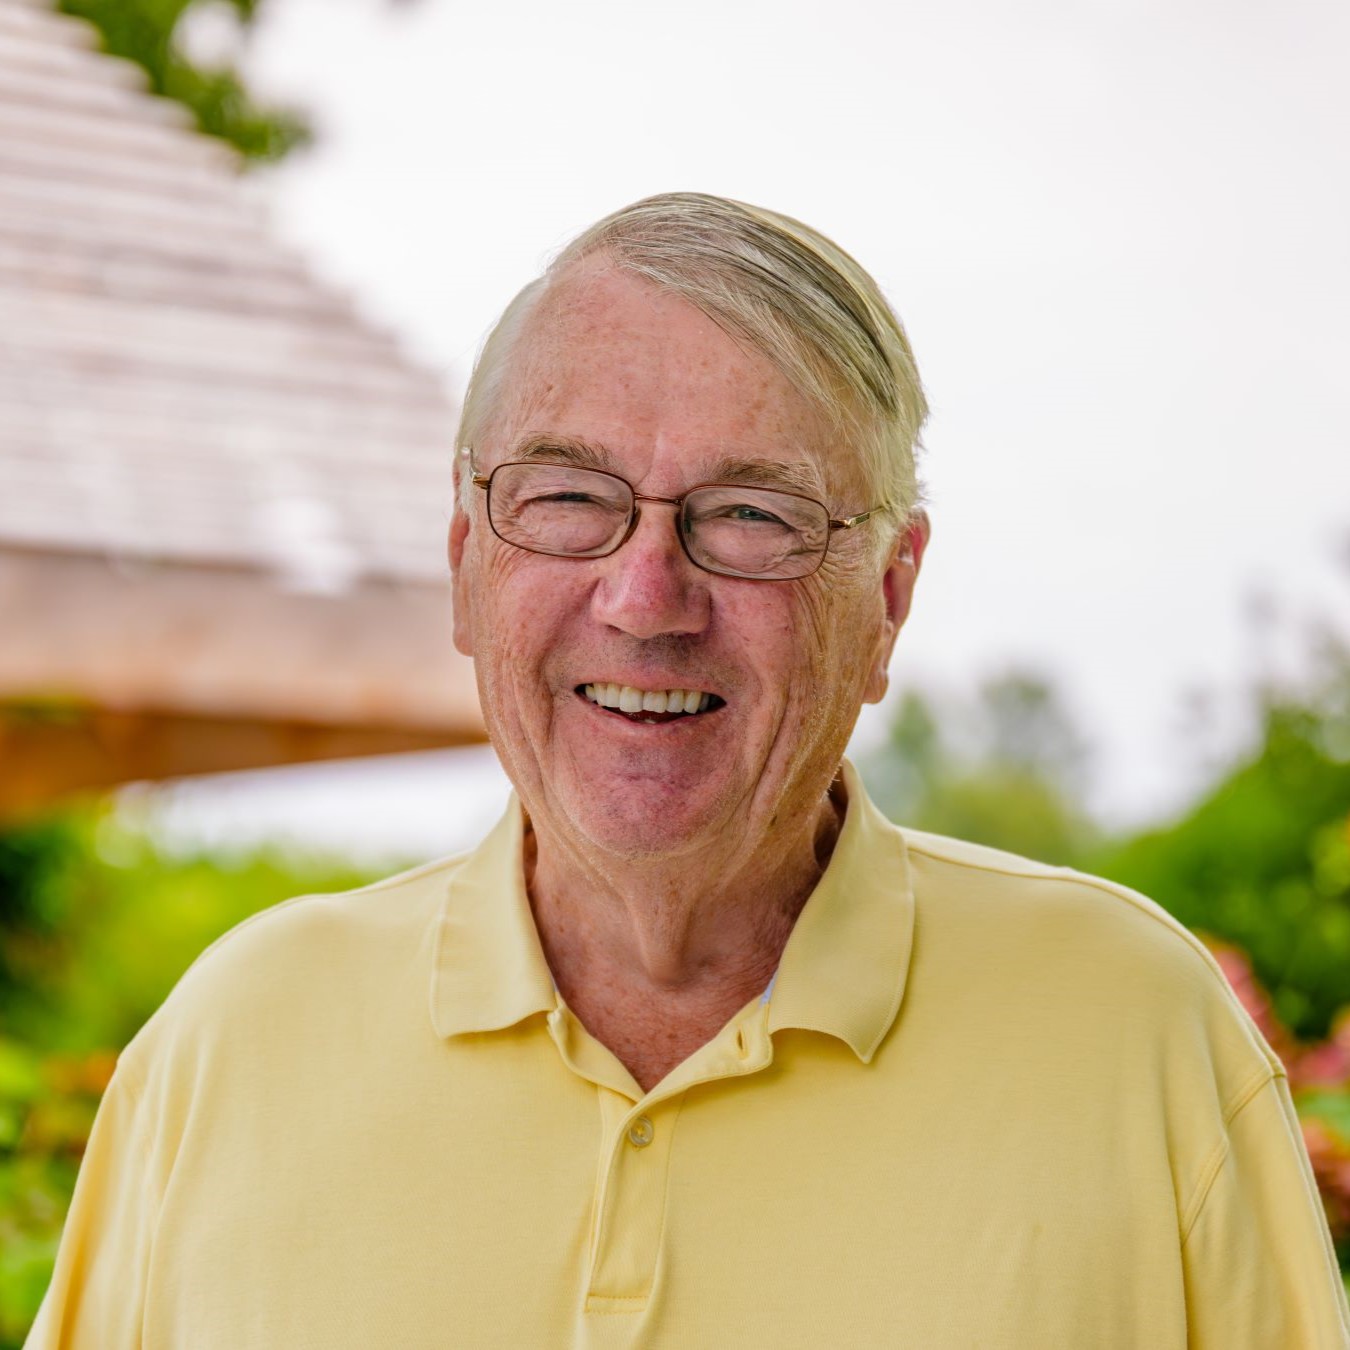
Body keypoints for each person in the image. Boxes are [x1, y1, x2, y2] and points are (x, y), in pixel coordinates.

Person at [29, 193, 1350, 1349]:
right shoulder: (231, 1047)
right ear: (463, 561)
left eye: (750, 516)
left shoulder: (1134, 1035)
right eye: (566, 495)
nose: (646, 594)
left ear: (888, 596)